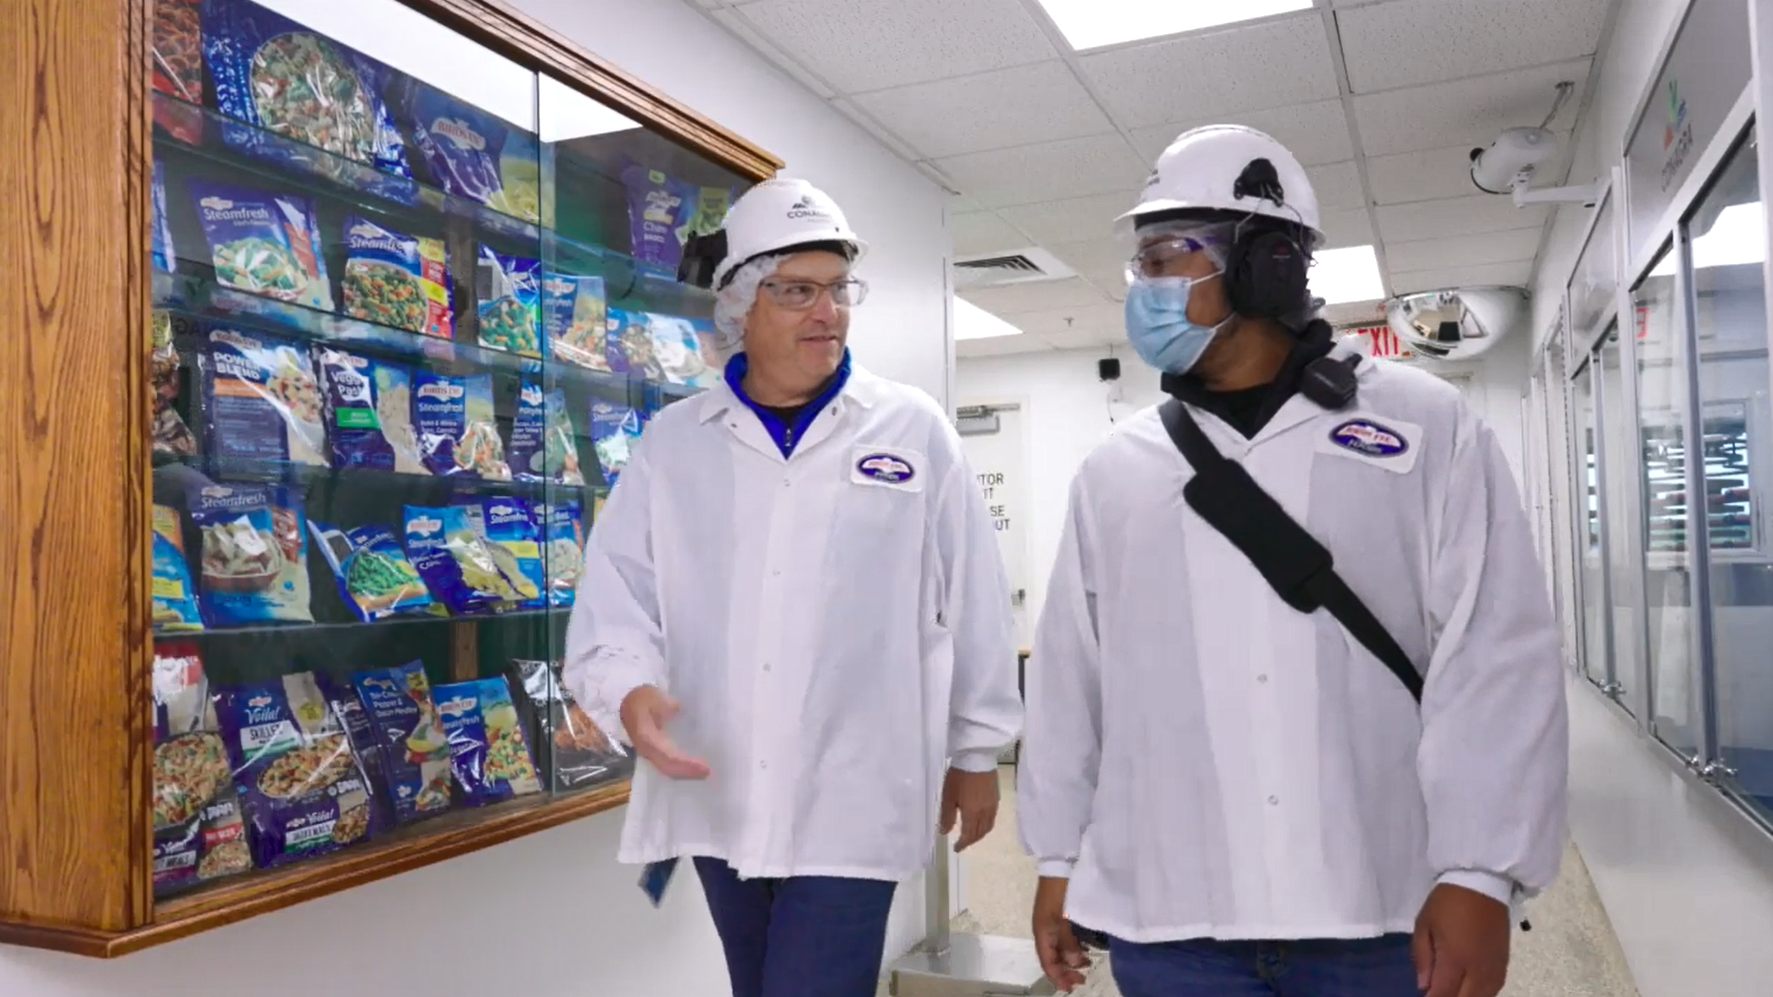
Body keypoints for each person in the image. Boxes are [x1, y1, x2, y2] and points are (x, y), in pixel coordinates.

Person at [1017, 125, 1569, 997]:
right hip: (1171, 909)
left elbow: (1495, 653)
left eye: (1165, 259)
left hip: (1378, 901)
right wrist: (1056, 854)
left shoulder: (1425, 426)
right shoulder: (1116, 469)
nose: (1142, 290)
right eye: (1139, 266)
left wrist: (1481, 872)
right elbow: (1070, 680)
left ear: (1265, 266)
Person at [564, 176, 1023, 997]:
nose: (830, 313)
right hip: (718, 783)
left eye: (839, 290)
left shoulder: (912, 428)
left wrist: (977, 748)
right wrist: (627, 688)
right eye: (798, 292)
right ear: (740, 307)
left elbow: (974, 596)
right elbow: (618, 598)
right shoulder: (674, 445)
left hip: (855, 787)